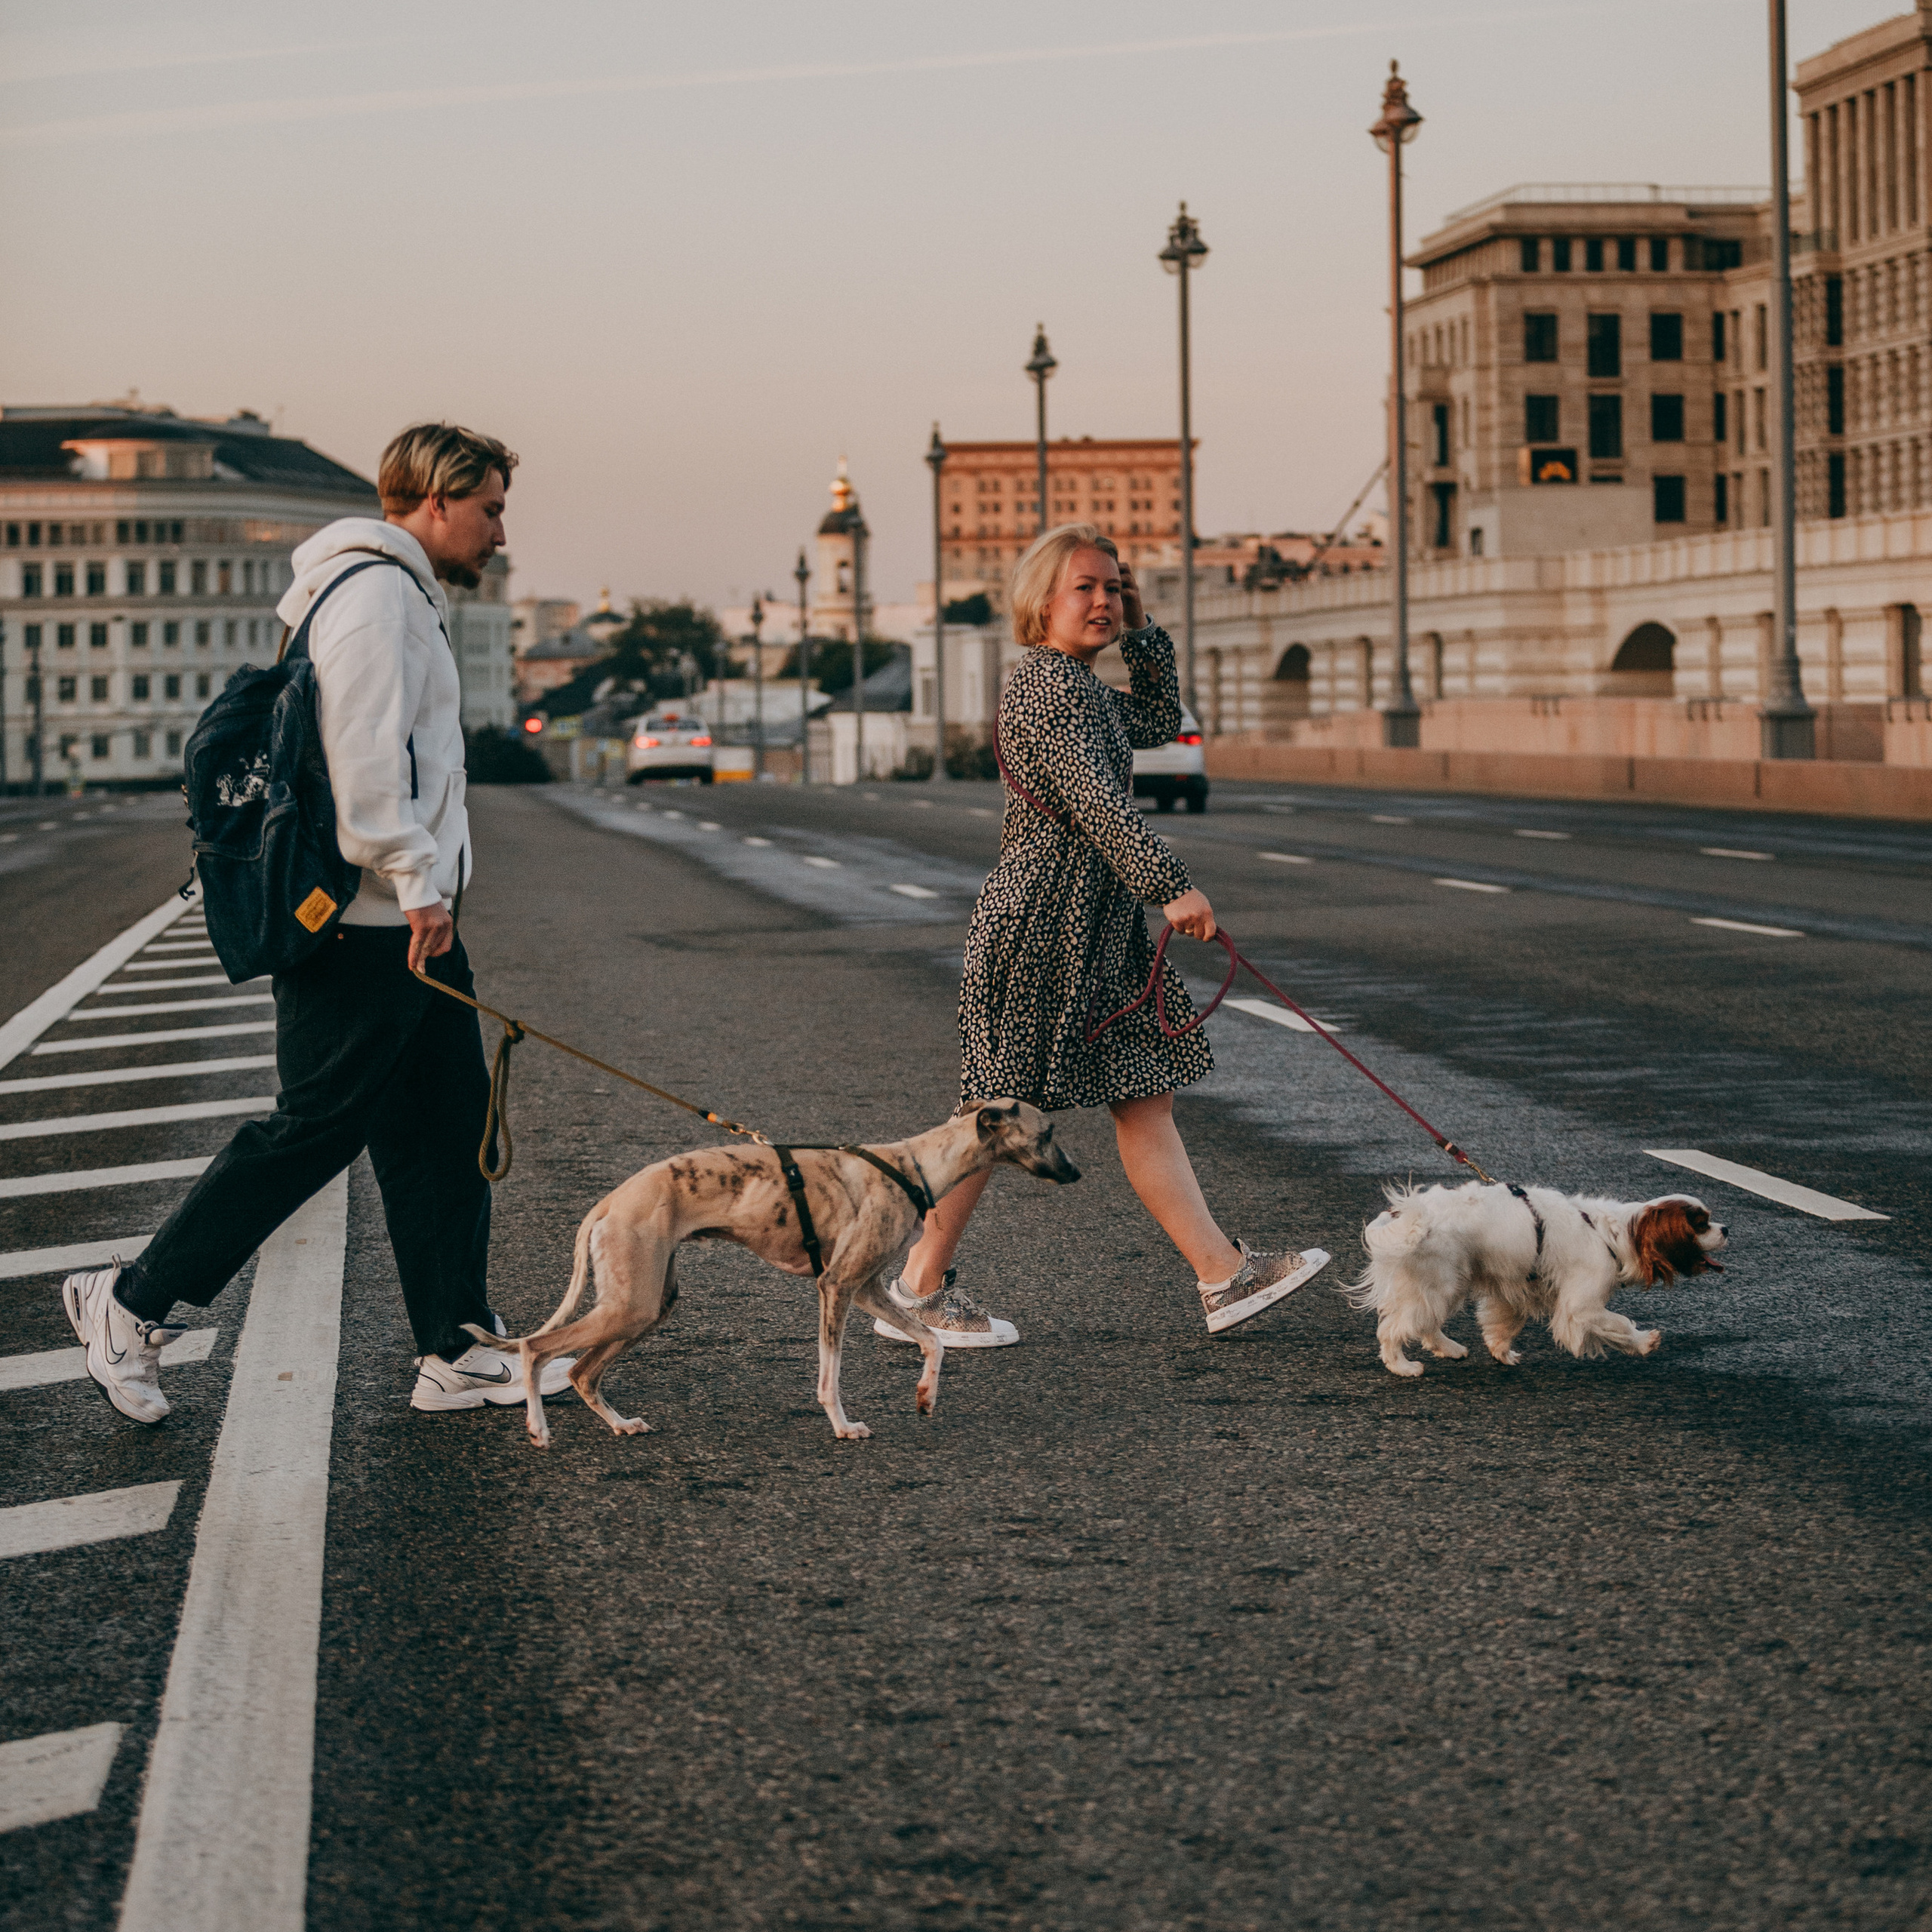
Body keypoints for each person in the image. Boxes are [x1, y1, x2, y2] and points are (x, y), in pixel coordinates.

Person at [61, 423, 572, 1423]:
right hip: (370, 920)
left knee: (447, 1133)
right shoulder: (379, 600)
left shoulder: (389, 593)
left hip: (402, 919)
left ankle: (456, 1349)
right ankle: (127, 1302)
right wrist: (418, 882)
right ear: (434, 501)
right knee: (314, 1130)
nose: (500, 533)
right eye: (492, 509)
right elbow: (365, 763)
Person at [873, 523, 1328, 1348]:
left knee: (1143, 1095)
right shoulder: (1047, 687)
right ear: (1040, 600)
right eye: (1084, 587)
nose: (1103, 600)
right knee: (999, 1111)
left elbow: (1156, 717)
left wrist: (1142, 626)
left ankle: (1222, 1275)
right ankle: (916, 1288)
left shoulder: (1079, 687)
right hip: (1043, 921)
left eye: (1113, 587)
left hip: (1098, 927)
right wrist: (1171, 886)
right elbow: (1098, 803)